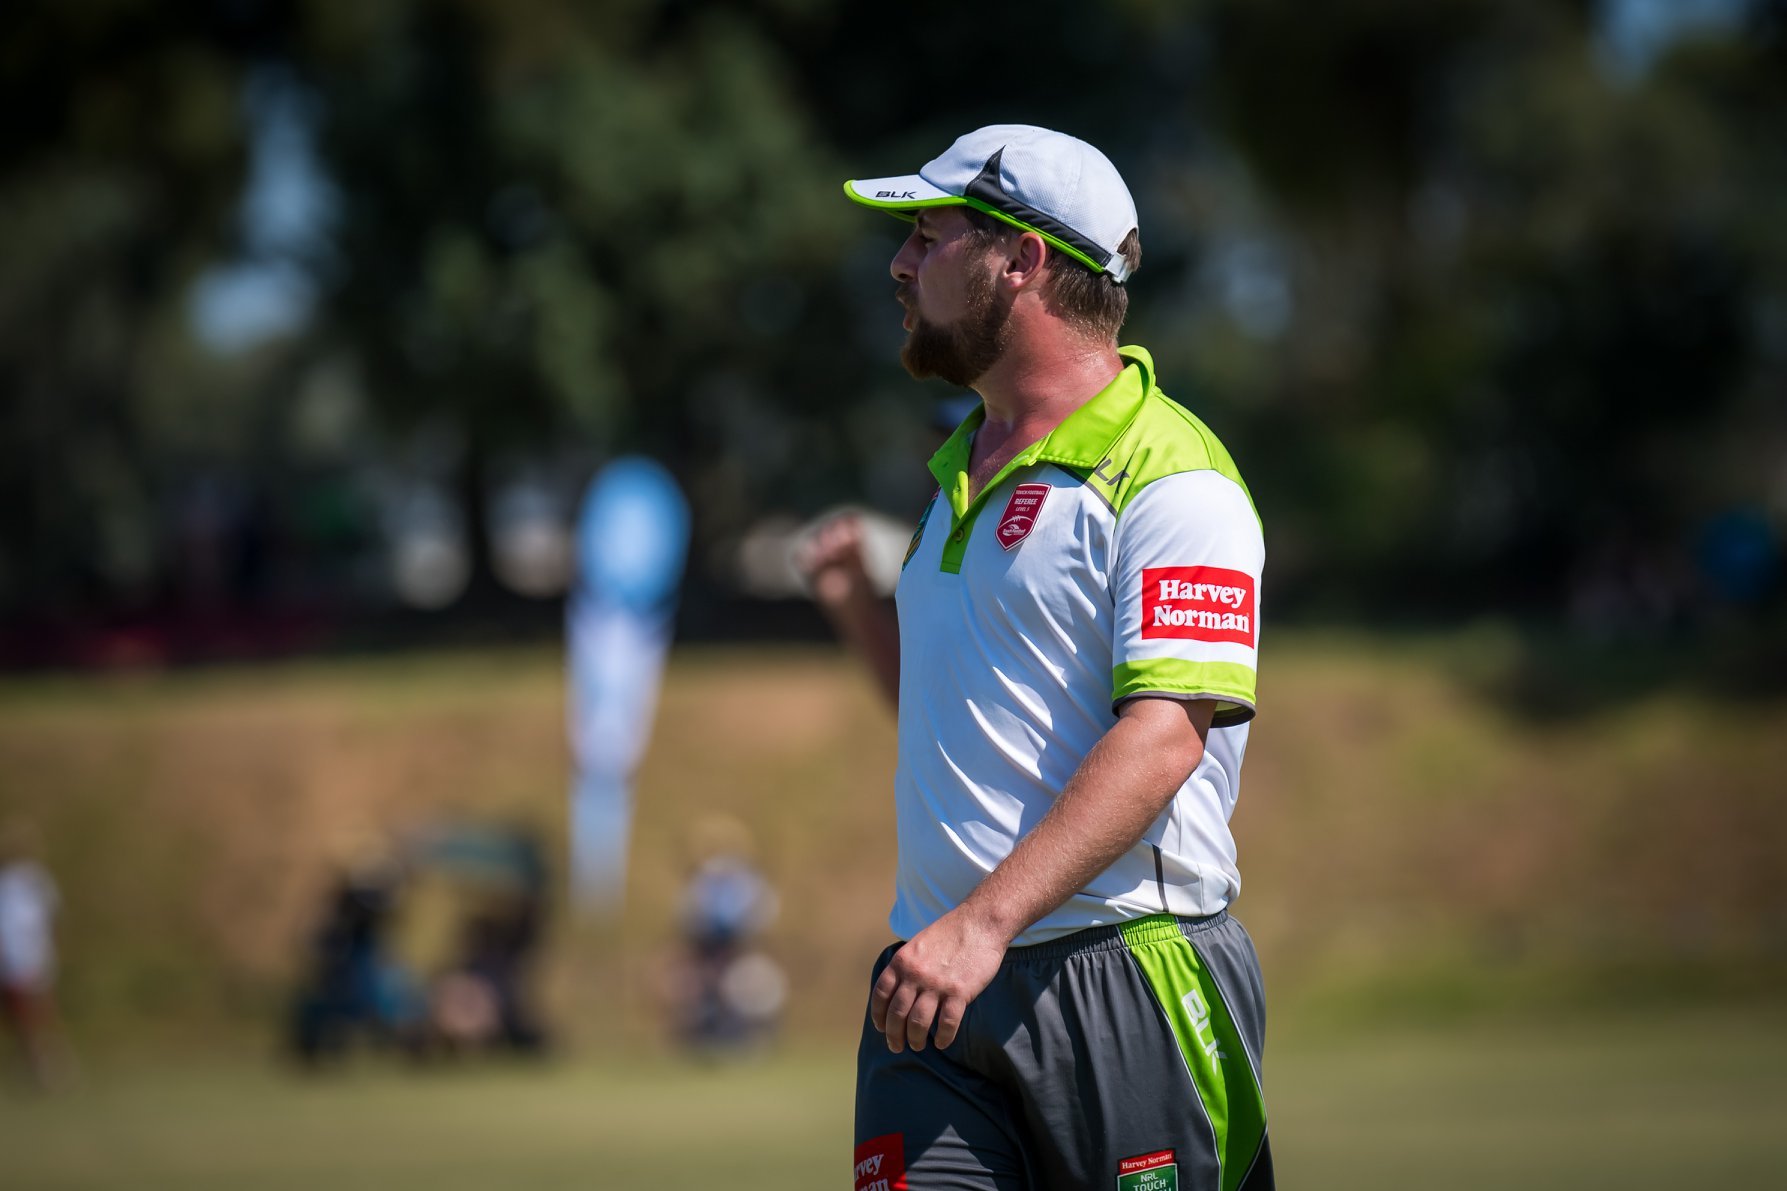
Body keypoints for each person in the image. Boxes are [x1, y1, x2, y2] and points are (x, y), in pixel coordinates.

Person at [803, 125, 1274, 1191]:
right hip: (934, 983)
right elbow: (950, 722)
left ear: (1020, 260)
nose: (898, 263)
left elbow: (1162, 743)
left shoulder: (1172, 478)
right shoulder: (954, 479)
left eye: (927, 236)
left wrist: (983, 925)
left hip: (1122, 975)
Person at [0, 821, 75, 1090]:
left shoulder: (37, 881)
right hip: (10, 961)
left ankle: (51, 1067)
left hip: (32, 958)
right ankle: (35, 1066)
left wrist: (49, 952)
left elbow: (51, 918)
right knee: (20, 1019)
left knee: (38, 1014)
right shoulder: (5, 883)